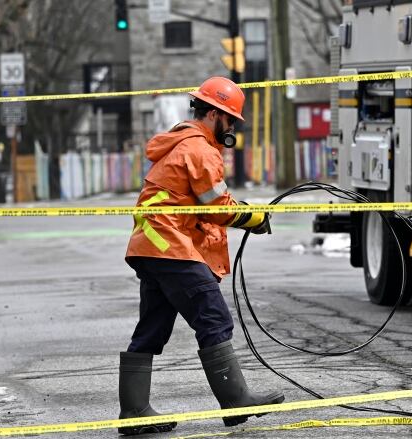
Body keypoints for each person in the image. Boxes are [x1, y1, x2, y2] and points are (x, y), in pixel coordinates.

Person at [117, 76, 284, 436]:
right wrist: (254, 217)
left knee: (152, 328)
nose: (233, 127)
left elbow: (205, 204)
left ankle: (134, 411)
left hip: (151, 245)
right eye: (231, 120)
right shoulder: (200, 149)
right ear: (214, 114)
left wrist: (243, 214)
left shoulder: (185, 144)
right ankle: (235, 401)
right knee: (213, 317)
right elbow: (216, 206)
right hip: (169, 245)